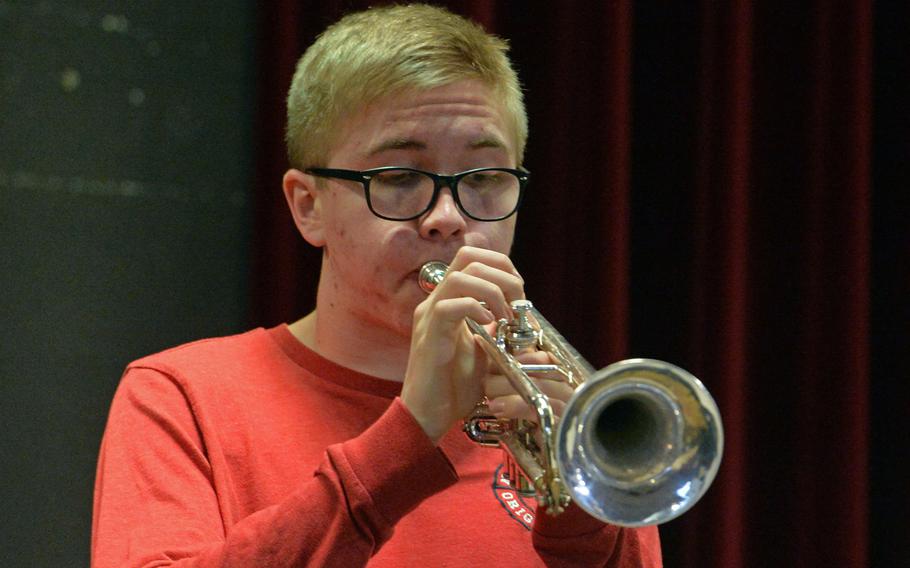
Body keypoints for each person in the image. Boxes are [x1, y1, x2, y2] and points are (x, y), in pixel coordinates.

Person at [91, 5, 662, 567]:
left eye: (485, 177)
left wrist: (585, 505)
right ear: (308, 206)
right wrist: (409, 436)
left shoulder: (578, 419)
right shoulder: (180, 395)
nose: (447, 216)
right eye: (399, 178)